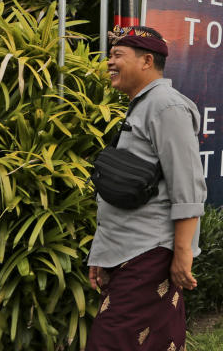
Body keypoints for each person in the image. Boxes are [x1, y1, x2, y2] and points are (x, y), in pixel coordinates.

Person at [87, 26, 207, 351]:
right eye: (110, 55)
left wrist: (183, 253)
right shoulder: (142, 105)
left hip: (148, 254)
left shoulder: (166, 107)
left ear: (146, 61)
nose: (109, 62)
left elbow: (188, 186)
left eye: (117, 55)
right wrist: (102, 254)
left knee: (108, 343)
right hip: (129, 252)